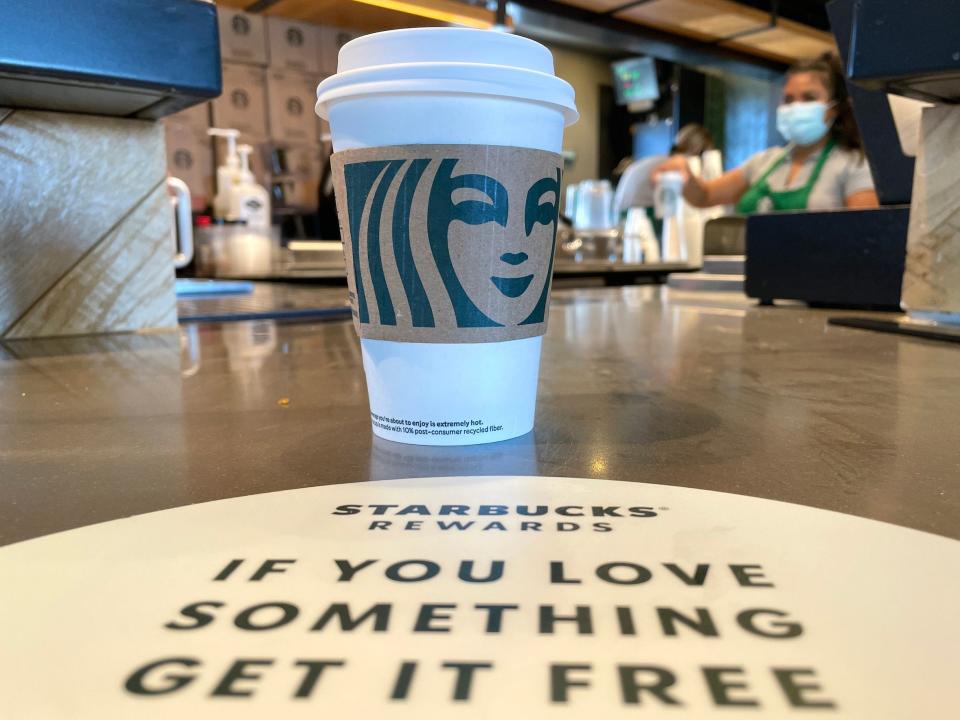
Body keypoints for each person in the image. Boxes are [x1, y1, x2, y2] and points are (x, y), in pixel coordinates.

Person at [653, 53, 879, 213]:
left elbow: (863, 240)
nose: (795, 107)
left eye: (809, 98)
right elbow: (704, 196)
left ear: (834, 108)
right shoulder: (764, 163)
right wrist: (685, 174)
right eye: (788, 99)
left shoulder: (853, 165)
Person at [613, 123, 715, 216]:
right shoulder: (677, 166)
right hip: (636, 219)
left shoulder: (663, 160)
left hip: (623, 216)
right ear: (697, 150)